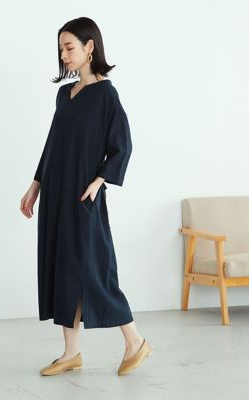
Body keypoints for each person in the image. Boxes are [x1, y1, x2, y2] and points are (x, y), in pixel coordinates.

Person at [20, 17, 153, 376]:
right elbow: (53, 145)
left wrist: (99, 180)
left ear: (89, 47)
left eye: (69, 47)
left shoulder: (106, 95)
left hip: (83, 196)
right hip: (56, 193)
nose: (64, 55)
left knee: (92, 270)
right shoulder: (64, 94)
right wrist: (35, 185)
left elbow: (122, 145)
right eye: (61, 49)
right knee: (63, 268)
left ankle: (135, 341)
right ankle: (71, 353)